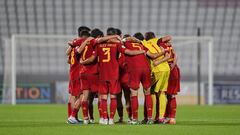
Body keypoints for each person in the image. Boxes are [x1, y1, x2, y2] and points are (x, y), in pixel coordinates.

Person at [80, 28, 145, 125]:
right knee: (115, 97)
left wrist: (82, 62)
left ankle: (104, 118)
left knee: (104, 97)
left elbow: (93, 58)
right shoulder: (117, 44)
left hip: (102, 73)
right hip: (114, 74)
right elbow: (128, 52)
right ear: (115, 35)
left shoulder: (99, 45)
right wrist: (142, 51)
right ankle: (112, 119)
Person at [142, 32, 171, 123]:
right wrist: (166, 43)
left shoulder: (144, 43)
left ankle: (150, 117)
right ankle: (161, 117)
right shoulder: (157, 41)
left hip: (156, 70)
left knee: (150, 92)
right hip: (166, 68)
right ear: (154, 36)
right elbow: (169, 37)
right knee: (162, 92)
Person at [159, 36, 180, 124]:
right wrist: (173, 65)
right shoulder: (170, 46)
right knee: (171, 95)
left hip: (166, 69)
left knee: (163, 94)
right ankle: (170, 117)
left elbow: (166, 56)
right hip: (174, 69)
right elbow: (176, 56)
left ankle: (167, 117)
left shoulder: (160, 44)